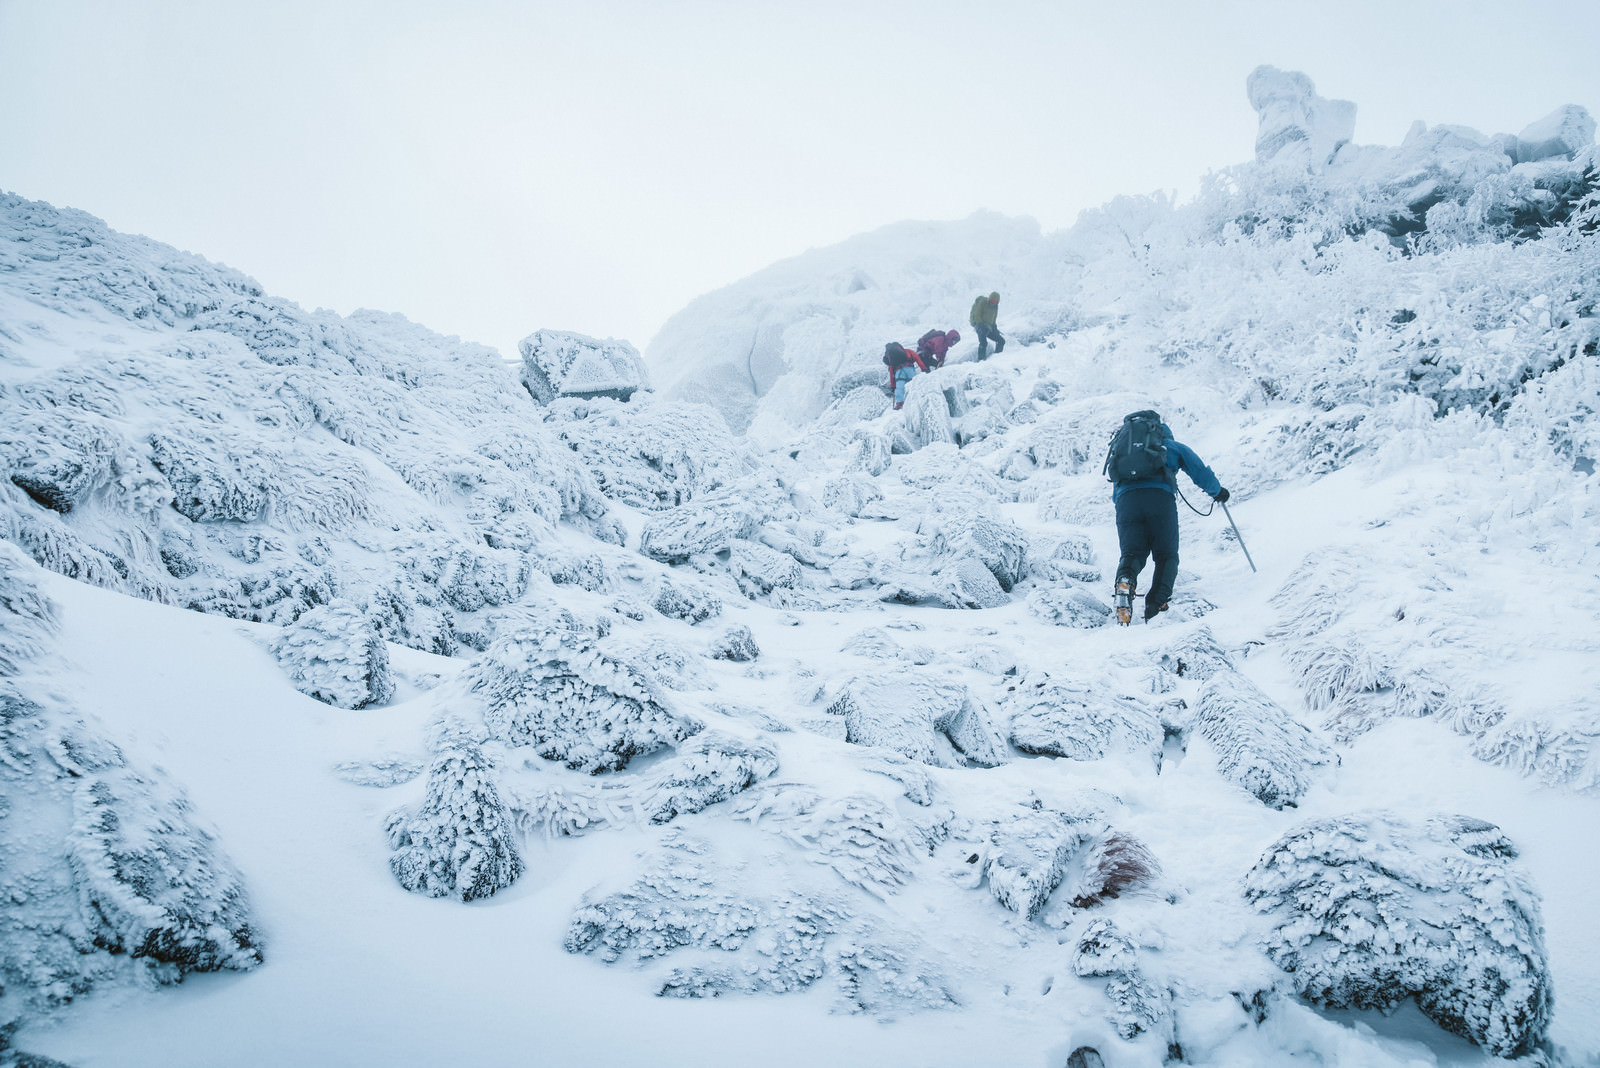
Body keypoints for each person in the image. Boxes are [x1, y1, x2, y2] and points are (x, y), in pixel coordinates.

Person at [1106, 411, 1230, 624]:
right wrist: (1217, 492)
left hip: (1127, 503)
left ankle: (1125, 582)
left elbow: (1116, 490)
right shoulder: (1169, 446)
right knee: (1166, 555)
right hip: (1160, 500)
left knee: (1132, 553)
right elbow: (1199, 471)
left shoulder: (1123, 451)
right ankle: (1157, 606)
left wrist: (1128, 508)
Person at [882, 341, 929, 410]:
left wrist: (893, 386)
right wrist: (923, 368)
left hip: (899, 372)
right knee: (914, 385)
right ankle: (917, 401)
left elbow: (891, 373)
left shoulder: (892, 359)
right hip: (909, 369)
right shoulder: (908, 351)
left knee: (899, 388)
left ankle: (900, 404)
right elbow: (917, 358)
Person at [969, 291, 1004, 360]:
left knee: (1001, 341)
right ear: (989, 299)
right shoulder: (983, 303)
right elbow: (977, 315)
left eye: (995, 303)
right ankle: (981, 360)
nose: (993, 304)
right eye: (992, 302)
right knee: (983, 342)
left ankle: (997, 358)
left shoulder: (995, 307)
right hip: (979, 325)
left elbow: (993, 320)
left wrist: (995, 330)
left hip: (988, 327)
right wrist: (981, 325)